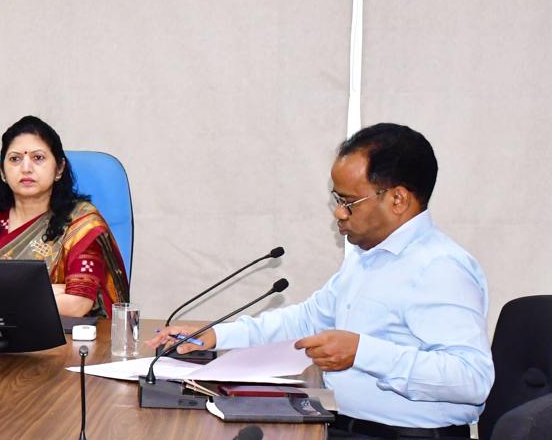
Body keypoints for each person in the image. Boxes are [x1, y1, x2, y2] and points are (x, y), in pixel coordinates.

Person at [148, 123, 491, 439]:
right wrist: (216, 335)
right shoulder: (368, 256)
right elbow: (307, 320)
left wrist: (362, 352)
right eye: (337, 200)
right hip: (342, 425)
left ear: (397, 199)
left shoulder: (440, 268)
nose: (339, 213)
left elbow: (472, 379)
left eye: (349, 202)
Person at [0, 116, 129, 317]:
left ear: (59, 168)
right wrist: (45, 293)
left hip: (61, 335)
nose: (26, 168)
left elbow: (77, 304)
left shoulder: (81, 224)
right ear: (2, 171)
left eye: (38, 158)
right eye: (15, 159)